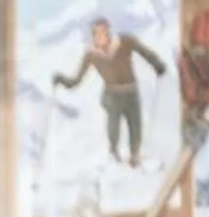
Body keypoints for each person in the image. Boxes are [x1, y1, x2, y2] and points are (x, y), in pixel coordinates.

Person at [52, 17, 168, 166]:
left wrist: (157, 64)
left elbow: (145, 52)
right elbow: (76, 80)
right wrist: (61, 80)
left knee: (135, 126)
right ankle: (114, 157)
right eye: (98, 33)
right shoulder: (91, 54)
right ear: (93, 35)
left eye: (105, 32)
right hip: (113, 96)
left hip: (131, 92)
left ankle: (134, 157)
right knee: (113, 128)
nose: (103, 36)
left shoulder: (124, 41)